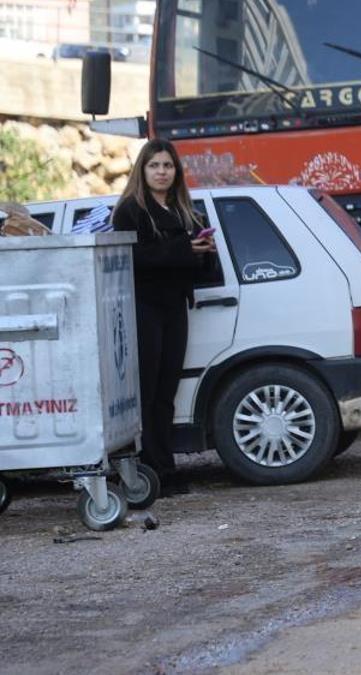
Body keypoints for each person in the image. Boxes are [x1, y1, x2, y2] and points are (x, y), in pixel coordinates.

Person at [112, 139, 214, 497]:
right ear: (142, 170)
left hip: (175, 308)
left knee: (167, 392)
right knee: (148, 392)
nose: (161, 172)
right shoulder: (130, 209)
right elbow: (135, 259)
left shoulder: (187, 210)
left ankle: (165, 469)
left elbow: (200, 269)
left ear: (176, 171)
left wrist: (204, 251)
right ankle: (147, 470)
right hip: (144, 307)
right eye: (154, 165)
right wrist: (184, 249)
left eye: (167, 166)